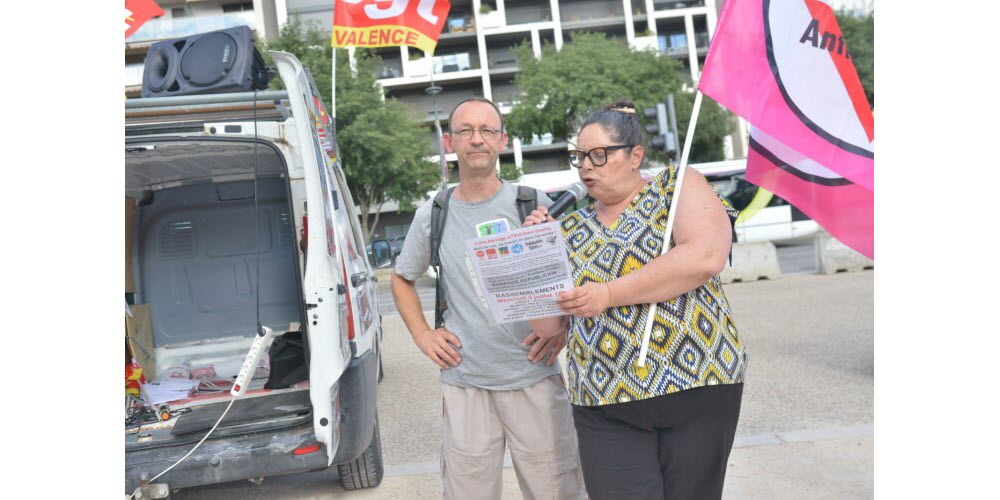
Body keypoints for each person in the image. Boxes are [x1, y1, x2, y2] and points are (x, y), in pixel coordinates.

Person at [524, 100, 748, 499]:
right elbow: (547, 329)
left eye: (599, 154)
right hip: (604, 399)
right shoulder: (569, 226)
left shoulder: (676, 186)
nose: (586, 166)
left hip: (696, 385)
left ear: (635, 156)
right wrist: (535, 251)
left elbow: (706, 256)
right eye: (579, 157)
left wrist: (608, 294)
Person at [391, 97, 587, 500]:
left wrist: (564, 331)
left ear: (503, 140)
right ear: (449, 142)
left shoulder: (535, 206)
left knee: (558, 492)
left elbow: (579, 283)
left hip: (535, 377)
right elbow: (402, 278)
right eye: (465, 131)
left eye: (486, 131)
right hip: (466, 384)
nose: (476, 139)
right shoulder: (435, 213)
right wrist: (422, 335)